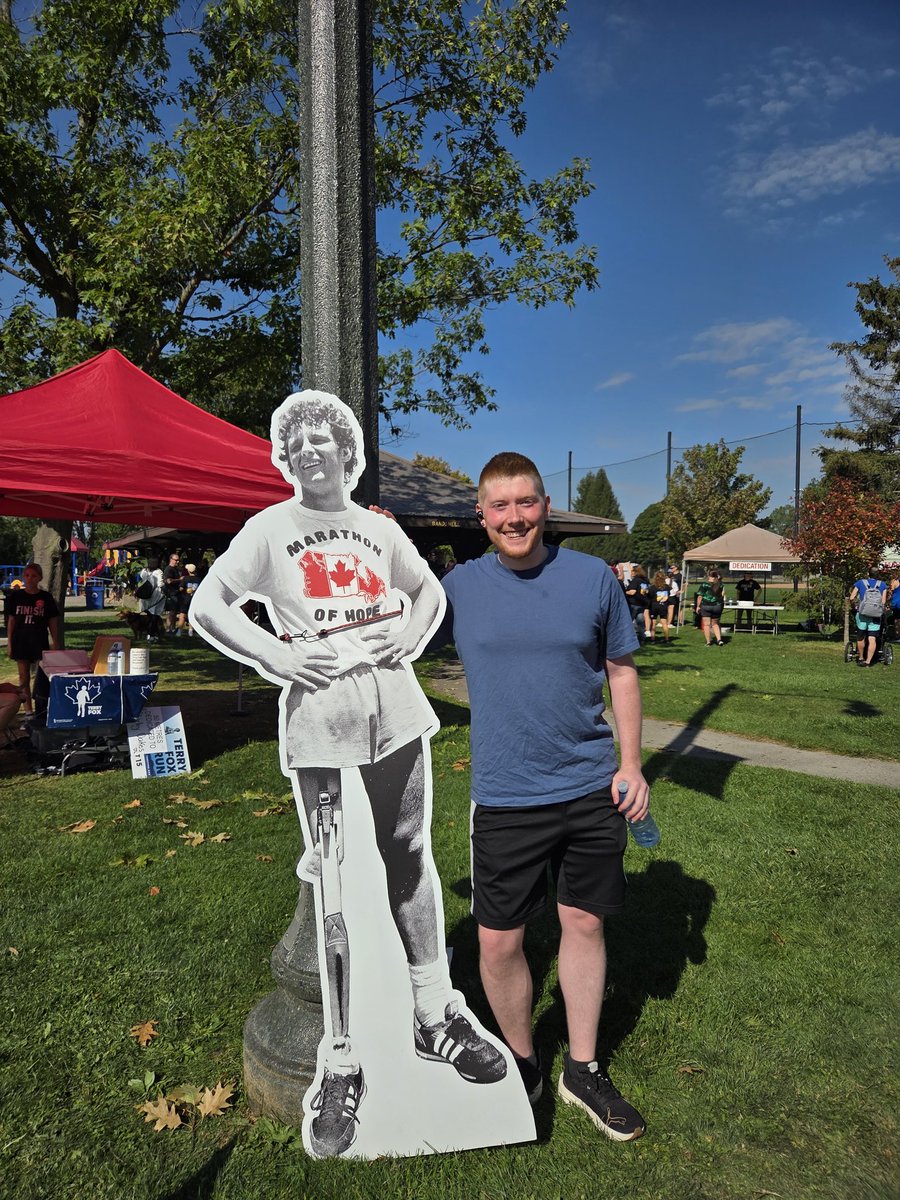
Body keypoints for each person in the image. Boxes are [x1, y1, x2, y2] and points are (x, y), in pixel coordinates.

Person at [190, 391, 507, 1158]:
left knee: (408, 854)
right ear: (285, 461)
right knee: (333, 876)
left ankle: (435, 1014)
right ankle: (340, 1056)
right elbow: (210, 604)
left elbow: (428, 591)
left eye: (319, 446)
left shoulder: (375, 528)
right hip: (320, 720)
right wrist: (277, 654)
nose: (306, 456)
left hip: (393, 710)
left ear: (344, 454)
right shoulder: (268, 530)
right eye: (293, 448)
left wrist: (408, 635)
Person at [430, 451, 650, 1141]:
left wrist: (633, 763)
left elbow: (621, 673)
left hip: (588, 785)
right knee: (498, 942)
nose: (515, 516)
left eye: (526, 502)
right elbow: (384, 610)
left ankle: (582, 1068)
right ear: (481, 515)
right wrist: (370, 536)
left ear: (545, 507)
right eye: (500, 506)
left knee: (584, 924)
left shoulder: (592, 579)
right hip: (505, 794)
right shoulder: (458, 587)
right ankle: (521, 1062)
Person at [4, 562, 59, 716]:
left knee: (43, 675)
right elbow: (11, 621)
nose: (30, 579)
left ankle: (43, 707)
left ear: (40, 578)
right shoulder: (16, 596)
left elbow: (52, 622)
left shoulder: (45, 597)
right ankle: (28, 710)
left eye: (34, 576)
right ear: (23, 577)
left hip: (39, 640)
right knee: (23, 676)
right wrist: (9, 644)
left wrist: (56, 642)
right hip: (21, 640)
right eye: (27, 576)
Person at [850, 572, 888, 667]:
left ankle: (861, 658)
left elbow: (852, 597)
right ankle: (868, 661)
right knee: (872, 638)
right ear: (877, 575)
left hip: (862, 613)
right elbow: (883, 601)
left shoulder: (860, 583)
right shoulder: (882, 585)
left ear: (868, 573)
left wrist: (854, 606)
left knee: (861, 637)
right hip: (875, 615)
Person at [137, 558, 165, 641]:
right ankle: (151, 634)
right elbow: (160, 584)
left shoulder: (144, 571)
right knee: (155, 616)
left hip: (146, 595)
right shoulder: (159, 572)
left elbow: (141, 577)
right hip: (156, 595)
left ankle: (152, 633)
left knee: (149, 615)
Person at [695, 570, 725, 646]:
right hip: (717, 606)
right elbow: (722, 594)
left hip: (706, 605)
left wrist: (698, 606)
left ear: (708, 576)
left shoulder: (705, 584)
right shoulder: (720, 584)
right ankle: (719, 640)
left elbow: (700, 596)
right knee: (715, 624)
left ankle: (708, 642)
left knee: (707, 625)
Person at [624, 564, 651, 640]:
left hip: (634, 603)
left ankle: (629, 638)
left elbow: (632, 592)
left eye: (632, 571)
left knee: (630, 621)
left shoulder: (635, 580)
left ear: (635, 572)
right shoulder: (645, 581)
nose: (631, 573)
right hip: (642, 604)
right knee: (640, 622)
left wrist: (624, 592)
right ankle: (642, 637)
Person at [162, 552, 186, 634]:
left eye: (178, 560)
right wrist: (180, 579)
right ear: (171, 559)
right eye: (176, 560)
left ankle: (172, 628)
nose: (178, 562)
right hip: (171, 593)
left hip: (176, 593)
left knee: (174, 612)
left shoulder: (175, 569)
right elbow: (168, 581)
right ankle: (169, 628)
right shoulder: (168, 569)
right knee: (171, 612)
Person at [650, 570, 671, 642]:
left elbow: (650, 596)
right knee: (664, 622)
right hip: (664, 606)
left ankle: (652, 639)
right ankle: (667, 639)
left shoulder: (653, 587)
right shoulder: (667, 587)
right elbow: (669, 595)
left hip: (654, 606)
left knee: (653, 622)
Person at [180, 563, 200, 636]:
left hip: (185, 598)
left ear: (188, 571)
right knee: (191, 615)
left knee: (182, 614)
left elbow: (181, 588)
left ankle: (180, 630)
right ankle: (190, 631)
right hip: (194, 600)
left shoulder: (185, 579)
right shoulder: (199, 579)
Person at [665, 564, 681, 629]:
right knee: (671, 610)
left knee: (665, 610)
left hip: (665, 597)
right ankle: (669, 623)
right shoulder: (674, 583)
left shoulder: (664, 581)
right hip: (672, 597)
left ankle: (663, 622)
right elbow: (676, 590)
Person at [889, 574, 900, 643]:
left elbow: (890, 592)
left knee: (897, 620)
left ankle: (897, 637)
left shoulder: (894, 582)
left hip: (897, 603)